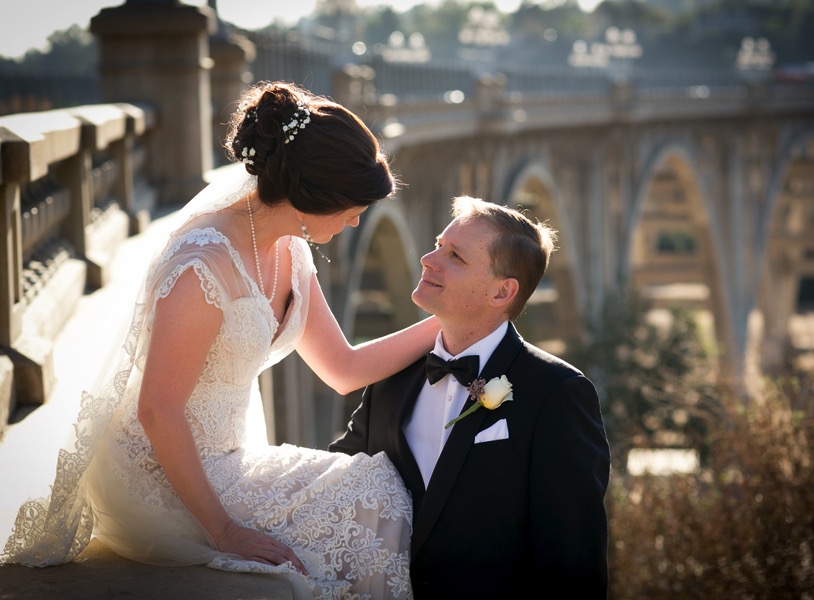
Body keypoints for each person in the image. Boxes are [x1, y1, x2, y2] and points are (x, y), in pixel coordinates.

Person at [1, 81, 441, 600]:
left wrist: (451, 321)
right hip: (162, 475)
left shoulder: (289, 248)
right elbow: (159, 411)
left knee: (386, 494)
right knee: (375, 509)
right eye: (352, 206)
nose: (356, 219)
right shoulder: (202, 268)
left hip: (228, 458)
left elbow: (341, 367)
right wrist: (225, 532)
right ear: (312, 195)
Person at [330, 196, 611, 599]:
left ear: (502, 292)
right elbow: (340, 477)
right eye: (438, 243)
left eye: (455, 256)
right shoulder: (392, 373)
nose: (428, 258)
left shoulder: (558, 394)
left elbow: (572, 565)